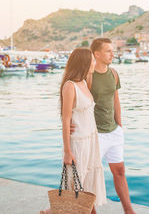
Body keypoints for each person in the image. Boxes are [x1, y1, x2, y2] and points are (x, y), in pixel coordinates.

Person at [41, 48, 106, 214]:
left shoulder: (83, 82)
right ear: (84, 63)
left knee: (87, 188)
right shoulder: (70, 86)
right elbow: (66, 119)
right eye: (92, 60)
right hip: (78, 143)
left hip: (91, 141)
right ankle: (49, 212)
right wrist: (67, 152)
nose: (94, 63)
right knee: (75, 190)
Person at [86, 38, 135, 214]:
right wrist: (70, 125)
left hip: (114, 132)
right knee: (90, 176)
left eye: (112, 51)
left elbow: (116, 102)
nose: (112, 54)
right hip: (94, 134)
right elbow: (75, 102)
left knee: (120, 171)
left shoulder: (113, 73)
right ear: (97, 54)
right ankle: (91, 212)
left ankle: (129, 211)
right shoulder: (88, 76)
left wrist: (120, 126)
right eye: (108, 51)